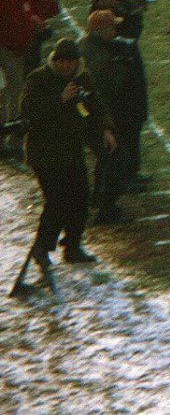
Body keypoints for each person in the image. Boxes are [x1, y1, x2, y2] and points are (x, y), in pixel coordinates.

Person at [20, 39, 115, 280]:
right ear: (55, 60)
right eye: (62, 62)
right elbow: (29, 110)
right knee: (56, 202)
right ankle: (43, 247)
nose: (67, 67)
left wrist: (105, 128)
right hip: (45, 153)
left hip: (71, 150)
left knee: (81, 198)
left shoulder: (82, 78)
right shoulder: (39, 79)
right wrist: (59, 99)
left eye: (71, 62)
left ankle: (72, 245)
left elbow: (95, 104)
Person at [80, 9, 146, 222]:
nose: (115, 31)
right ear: (101, 30)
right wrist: (121, 64)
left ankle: (99, 197)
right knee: (116, 157)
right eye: (111, 27)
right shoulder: (96, 55)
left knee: (106, 157)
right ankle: (106, 208)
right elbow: (107, 89)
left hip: (91, 113)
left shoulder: (87, 46)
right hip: (93, 115)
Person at [0, 0, 46, 163]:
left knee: (18, 95)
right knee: (13, 95)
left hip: (22, 51)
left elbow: (25, 14)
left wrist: (34, 21)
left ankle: (13, 141)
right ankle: (9, 142)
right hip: (7, 52)